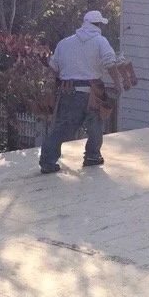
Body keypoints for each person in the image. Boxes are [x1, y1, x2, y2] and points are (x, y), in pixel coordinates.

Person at [39, 10, 118, 175]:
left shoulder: (64, 43)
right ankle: (92, 156)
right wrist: (118, 84)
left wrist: (50, 90)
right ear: (98, 25)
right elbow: (110, 63)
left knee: (61, 128)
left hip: (69, 91)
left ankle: (47, 161)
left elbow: (53, 68)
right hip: (93, 93)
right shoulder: (100, 41)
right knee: (95, 125)